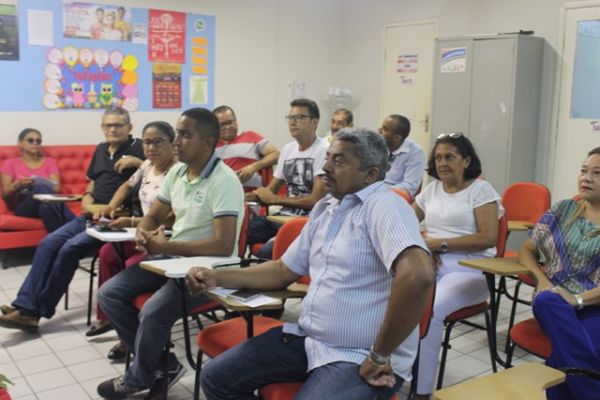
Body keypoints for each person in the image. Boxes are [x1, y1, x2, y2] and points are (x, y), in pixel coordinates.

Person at [191, 128, 434, 400]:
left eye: (338, 161)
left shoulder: (384, 206)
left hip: (360, 354)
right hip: (310, 340)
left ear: (370, 174)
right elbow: (283, 270)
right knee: (216, 378)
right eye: (327, 157)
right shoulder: (326, 208)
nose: (325, 167)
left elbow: (418, 277)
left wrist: (379, 355)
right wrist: (217, 277)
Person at [96, 108, 244, 400]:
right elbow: (154, 215)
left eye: (185, 135)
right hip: (173, 260)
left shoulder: (224, 180)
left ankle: (138, 378)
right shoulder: (178, 172)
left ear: (208, 141)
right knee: (109, 294)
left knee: (152, 311)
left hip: (210, 270)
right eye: (177, 133)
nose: (176, 141)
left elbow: (223, 245)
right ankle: (164, 364)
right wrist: (144, 231)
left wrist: (165, 246)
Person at [0, 107, 144, 332]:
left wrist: (139, 162)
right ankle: (26, 305)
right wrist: (87, 196)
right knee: (48, 243)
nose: (112, 129)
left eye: (118, 125)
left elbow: (165, 170)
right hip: (89, 214)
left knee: (69, 248)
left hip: (116, 218)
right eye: (108, 125)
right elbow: (94, 181)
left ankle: (32, 313)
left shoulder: (141, 147)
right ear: (102, 127)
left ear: (129, 127)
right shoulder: (101, 149)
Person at [412, 132, 503, 399]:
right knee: (391, 297)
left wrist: (439, 244)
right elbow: (403, 221)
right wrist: (422, 247)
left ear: (466, 161)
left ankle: (422, 391)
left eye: (450, 157)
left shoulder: (480, 190)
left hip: (471, 270)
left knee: (431, 310)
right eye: (438, 158)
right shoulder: (431, 190)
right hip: (431, 265)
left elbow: (487, 237)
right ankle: (396, 371)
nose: (442, 163)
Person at [85, 121, 177, 362]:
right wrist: (111, 207)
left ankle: (132, 337)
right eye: (147, 142)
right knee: (107, 254)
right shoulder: (147, 165)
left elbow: (170, 217)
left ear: (172, 143)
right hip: (140, 229)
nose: (151, 148)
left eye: (158, 142)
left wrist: (132, 222)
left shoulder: (177, 172)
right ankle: (112, 321)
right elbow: (127, 186)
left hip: (162, 235)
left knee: (131, 264)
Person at [518, 147, 600, 400]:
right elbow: (526, 250)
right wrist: (542, 281)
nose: (586, 178)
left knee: (565, 355)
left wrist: (576, 299)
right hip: (553, 302)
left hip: (594, 305)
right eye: (584, 170)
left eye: (597, 173)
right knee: (545, 299)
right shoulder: (563, 210)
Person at [247, 98, 329, 259]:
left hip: (307, 221)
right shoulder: (287, 150)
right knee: (239, 232)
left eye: (299, 117)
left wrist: (276, 200)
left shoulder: (324, 150)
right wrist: (240, 197)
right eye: (290, 118)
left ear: (315, 122)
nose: (292, 122)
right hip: (282, 218)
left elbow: (314, 200)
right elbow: (269, 192)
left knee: (266, 252)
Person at [1, 128, 75, 233]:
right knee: (42, 188)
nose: (35, 143)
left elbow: (56, 188)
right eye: (30, 140)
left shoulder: (49, 162)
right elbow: (5, 196)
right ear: (20, 143)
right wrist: (18, 185)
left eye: (38, 141)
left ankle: (58, 241)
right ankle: (76, 224)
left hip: (47, 203)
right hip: (24, 206)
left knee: (45, 207)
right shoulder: (10, 163)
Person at [213, 105, 280, 194]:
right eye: (222, 124)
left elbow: (276, 155)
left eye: (230, 122)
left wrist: (252, 167)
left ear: (236, 121)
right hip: (222, 195)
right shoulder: (210, 146)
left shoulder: (251, 137)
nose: (227, 127)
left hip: (253, 197)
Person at [378, 114, 426, 198]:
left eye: (385, 129)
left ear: (396, 138)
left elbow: (409, 187)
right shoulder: (379, 145)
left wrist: (378, 191)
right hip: (375, 192)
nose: (379, 130)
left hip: (395, 197)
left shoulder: (416, 152)